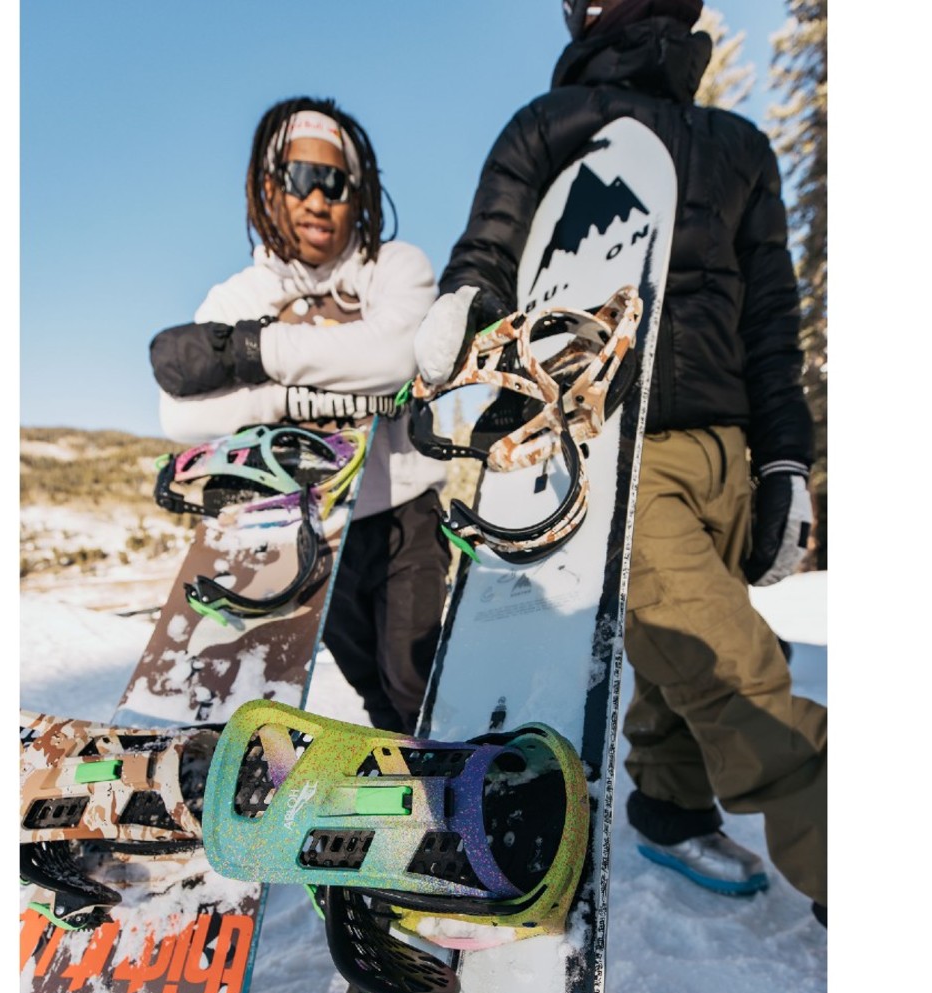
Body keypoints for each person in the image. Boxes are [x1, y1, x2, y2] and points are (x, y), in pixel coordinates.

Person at [415, 0, 826, 925]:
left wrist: (783, 465)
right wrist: (466, 304)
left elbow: (770, 321)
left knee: (683, 658)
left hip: (728, 447)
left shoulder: (739, 142)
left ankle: (671, 812)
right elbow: (494, 248)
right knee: (737, 672)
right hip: (616, 443)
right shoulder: (550, 125)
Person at [148, 97, 450, 735]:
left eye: (334, 182)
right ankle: (405, 799)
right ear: (268, 189)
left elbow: (395, 356)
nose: (318, 199)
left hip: (403, 513)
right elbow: (179, 413)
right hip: (304, 523)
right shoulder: (240, 294)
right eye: (299, 179)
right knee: (371, 686)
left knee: (414, 679)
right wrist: (295, 394)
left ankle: (449, 803)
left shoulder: (396, 268)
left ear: (358, 194)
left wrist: (252, 352)